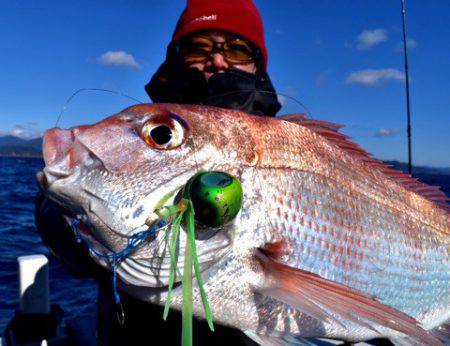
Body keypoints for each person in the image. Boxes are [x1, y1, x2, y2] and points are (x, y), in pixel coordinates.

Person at [35, 1, 280, 344]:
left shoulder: (293, 149)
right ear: (175, 57)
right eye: (199, 46)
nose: (218, 60)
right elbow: (74, 251)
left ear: (258, 66)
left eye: (238, 49)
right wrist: (68, 215)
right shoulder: (137, 128)